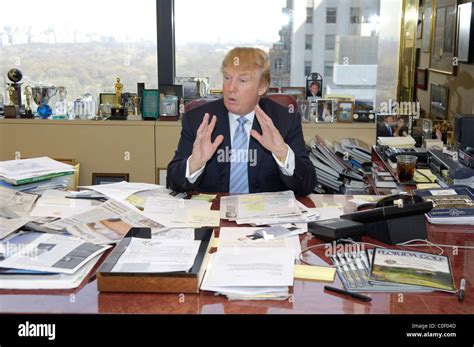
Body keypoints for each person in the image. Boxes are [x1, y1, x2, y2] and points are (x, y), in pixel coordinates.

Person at [167, 47, 316, 196]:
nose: (231, 88)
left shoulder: (284, 120)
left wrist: (282, 152)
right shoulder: (198, 119)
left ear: (262, 87)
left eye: (242, 80)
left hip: (265, 216)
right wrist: (194, 164)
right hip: (214, 213)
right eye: (227, 78)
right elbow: (173, 181)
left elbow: (306, 186)